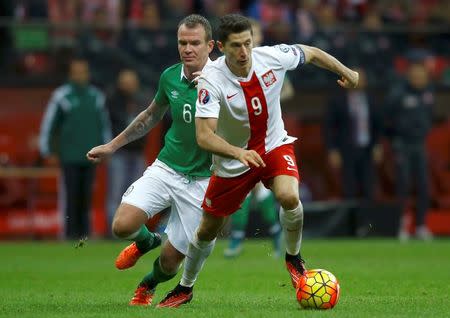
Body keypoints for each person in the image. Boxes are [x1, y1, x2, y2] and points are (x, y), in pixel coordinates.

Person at [158, 14, 359, 307]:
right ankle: (185, 288)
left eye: (247, 44)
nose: (243, 52)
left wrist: (347, 71)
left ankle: (294, 259)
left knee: (289, 196)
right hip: (233, 160)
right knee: (207, 230)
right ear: (222, 48)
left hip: (274, 145)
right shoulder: (210, 80)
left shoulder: (272, 57)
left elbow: (312, 53)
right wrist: (238, 153)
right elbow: (204, 136)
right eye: (236, 46)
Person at [86, 14, 214, 306]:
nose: (187, 48)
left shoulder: (225, 82)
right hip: (167, 168)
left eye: (195, 43)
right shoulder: (170, 76)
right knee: (121, 225)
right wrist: (112, 146)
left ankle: (148, 284)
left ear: (211, 46)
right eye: (182, 42)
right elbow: (150, 116)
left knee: (169, 265)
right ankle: (147, 241)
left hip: (203, 182)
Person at [224, 18, 294, 258]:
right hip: (239, 137)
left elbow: (288, 89)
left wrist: (266, 100)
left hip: (267, 135)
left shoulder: (269, 61)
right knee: (250, 191)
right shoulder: (230, 67)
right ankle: (273, 236)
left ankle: (241, 240)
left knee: (255, 190)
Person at [39, 58, 111, 240]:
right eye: (77, 71)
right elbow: (48, 125)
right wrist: (47, 151)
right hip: (69, 156)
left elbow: (104, 125)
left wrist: (107, 147)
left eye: (83, 71)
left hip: (90, 156)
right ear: (71, 74)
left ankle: (84, 235)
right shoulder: (61, 96)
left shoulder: (96, 96)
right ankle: (68, 234)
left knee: (86, 198)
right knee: (70, 197)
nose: (80, 75)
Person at [385, 61, 434, 241]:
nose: (418, 78)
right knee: (403, 185)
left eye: (421, 74)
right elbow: (387, 119)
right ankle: (401, 225)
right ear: (409, 74)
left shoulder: (428, 93)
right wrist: (394, 141)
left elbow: (430, 116)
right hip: (402, 145)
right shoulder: (398, 94)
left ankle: (421, 225)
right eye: (415, 74)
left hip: (420, 145)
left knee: (423, 185)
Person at [324, 67, 383, 201]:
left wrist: (378, 145)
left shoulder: (371, 100)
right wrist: (332, 149)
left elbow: (378, 125)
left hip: (367, 149)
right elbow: (329, 127)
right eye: (353, 76)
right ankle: (350, 221)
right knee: (348, 188)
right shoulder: (337, 100)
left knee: (369, 188)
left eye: (360, 77)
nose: (357, 80)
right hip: (346, 150)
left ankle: (368, 221)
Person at [105, 69, 148, 235]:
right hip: (119, 154)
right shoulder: (113, 100)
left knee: (138, 194)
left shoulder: (142, 100)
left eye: (131, 82)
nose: (129, 85)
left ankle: (135, 230)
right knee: (115, 193)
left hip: (137, 153)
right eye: (125, 82)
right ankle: (113, 231)